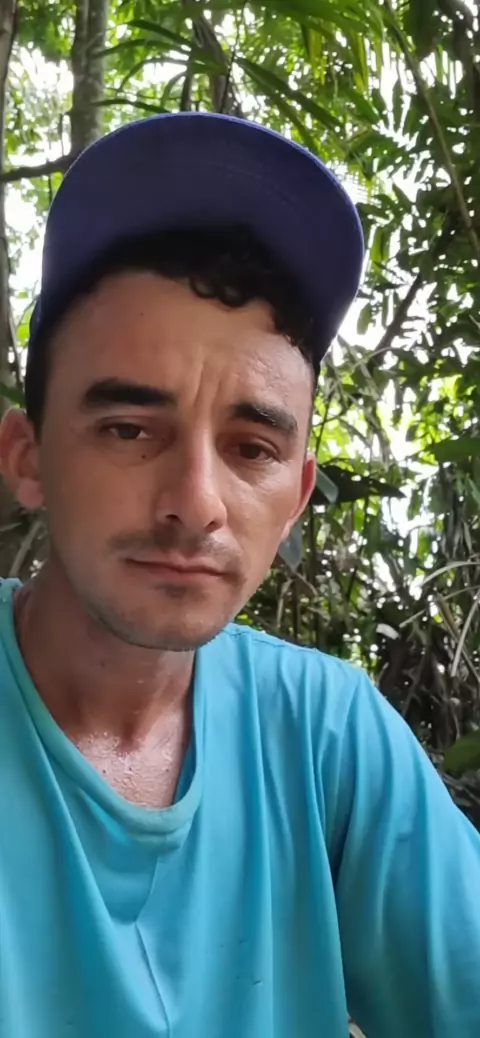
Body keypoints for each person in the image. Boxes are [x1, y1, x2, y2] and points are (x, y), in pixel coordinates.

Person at [0, 112, 478, 1038]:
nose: (196, 503)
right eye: (129, 429)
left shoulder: (324, 732)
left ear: (295, 496)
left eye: (251, 448)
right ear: (28, 457)